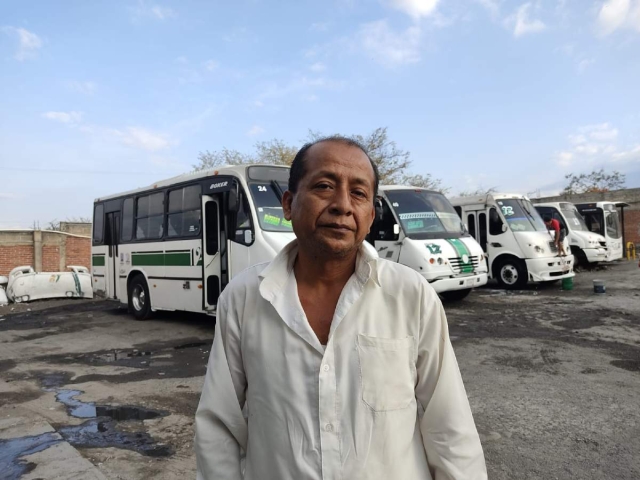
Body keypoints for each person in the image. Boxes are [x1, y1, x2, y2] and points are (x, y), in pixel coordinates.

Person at [195, 136, 487, 479]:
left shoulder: (412, 296)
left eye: (359, 193)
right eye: (324, 186)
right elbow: (218, 427)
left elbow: (449, 428)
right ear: (288, 204)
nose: (343, 205)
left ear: (370, 214)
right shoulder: (244, 299)